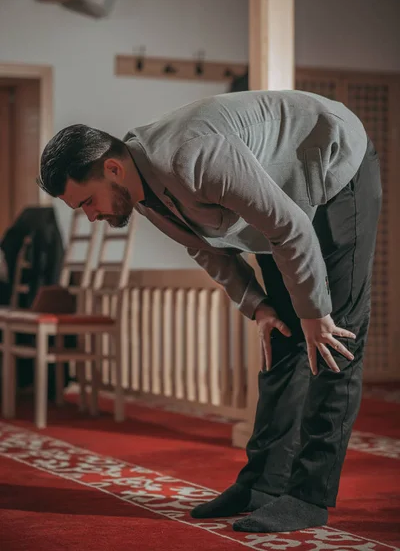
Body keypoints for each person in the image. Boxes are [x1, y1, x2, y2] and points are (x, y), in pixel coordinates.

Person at [37, 90, 382, 533]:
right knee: (281, 332)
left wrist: (315, 314)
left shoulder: (190, 155)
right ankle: (263, 482)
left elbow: (289, 226)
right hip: (285, 215)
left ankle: (309, 496)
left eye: (87, 202)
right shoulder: (140, 192)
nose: (90, 217)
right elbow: (205, 249)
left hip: (334, 166)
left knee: (335, 339)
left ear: (112, 168)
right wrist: (258, 306)